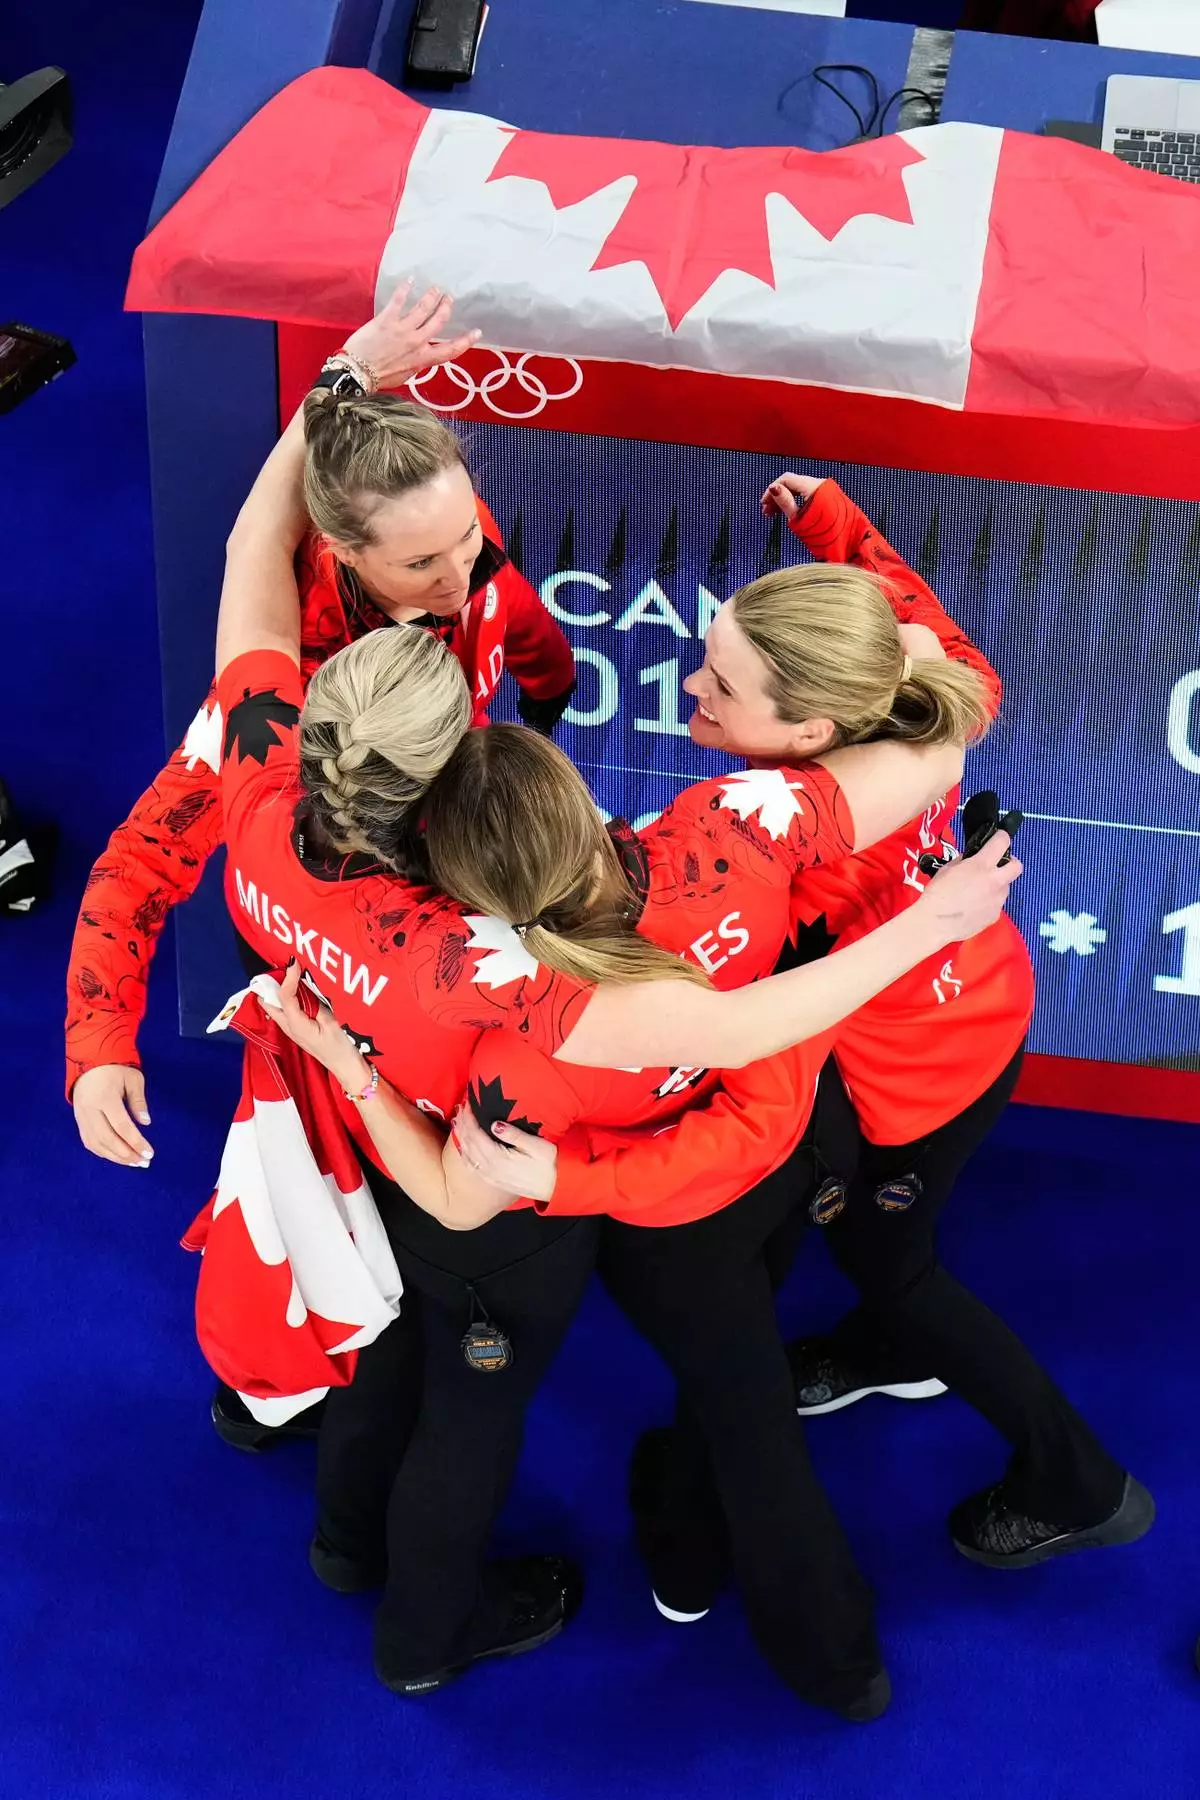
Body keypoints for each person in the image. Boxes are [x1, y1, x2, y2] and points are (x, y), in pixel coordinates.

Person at [210, 300, 1021, 1701]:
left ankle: (363, 1556)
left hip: (436, 1163)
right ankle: (742, 1646)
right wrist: (930, 924)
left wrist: (339, 394)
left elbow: (246, 559)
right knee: (618, 1404)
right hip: (619, 1182)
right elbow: (745, 1016)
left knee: (411, 1367)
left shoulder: (272, 807)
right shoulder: (656, 897)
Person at [64, 283, 574, 1449]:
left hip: (456, 946)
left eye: (466, 539)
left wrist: (545, 678)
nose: (461, 575)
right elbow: (136, 868)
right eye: (425, 565)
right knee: (329, 1191)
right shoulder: (273, 706)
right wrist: (99, 1052)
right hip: (333, 977)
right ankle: (276, 1388)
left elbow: (501, 597)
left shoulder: (449, 543)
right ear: (342, 550)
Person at [673, 469, 1153, 1570]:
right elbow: (907, 610)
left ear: (812, 733)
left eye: (724, 682)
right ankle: (887, 1349)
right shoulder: (936, 686)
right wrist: (835, 522)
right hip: (988, 1005)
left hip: (916, 1075)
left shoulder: (780, 834)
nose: (691, 682)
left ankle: (1074, 1480)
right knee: (886, 1240)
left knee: (893, 1259)